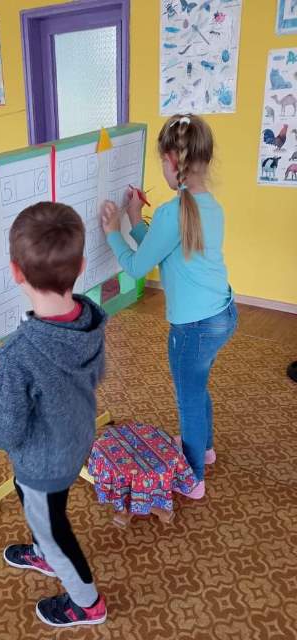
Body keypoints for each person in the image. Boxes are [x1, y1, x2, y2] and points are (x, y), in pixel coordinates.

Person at [0, 202, 107, 628]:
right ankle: (44, 554)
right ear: (81, 267)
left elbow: (4, 432)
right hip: (74, 438)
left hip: (45, 460)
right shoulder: (89, 319)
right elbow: (96, 373)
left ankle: (87, 603)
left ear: (15, 272)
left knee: (52, 526)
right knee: (41, 501)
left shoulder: (18, 353)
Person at [101, 114, 237, 499]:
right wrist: (133, 219)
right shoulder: (210, 206)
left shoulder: (171, 212)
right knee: (198, 384)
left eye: (161, 161)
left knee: (188, 398)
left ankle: (193, 478)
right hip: (223, 315)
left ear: (170, 161)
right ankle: (204, 449)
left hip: (193, 328)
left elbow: (136, 266)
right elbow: (167, 249)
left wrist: (112, 234)